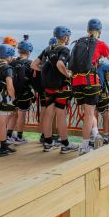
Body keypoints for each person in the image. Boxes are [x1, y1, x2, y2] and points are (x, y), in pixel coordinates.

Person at [69, 18, 109, 155]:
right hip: (91, 82)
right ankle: (85, 146)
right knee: (89, 114)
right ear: (100, 31)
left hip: (75, 82)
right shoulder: (100, 44)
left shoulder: (79, 42)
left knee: (88, 113)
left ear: (88, 30)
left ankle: (95, 135)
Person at [39, 26, 77, 154]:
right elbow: (60, 64)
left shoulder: (47, 49)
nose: (69, 39)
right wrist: (68, 75)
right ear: (65, 37)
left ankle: (48, 142)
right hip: (61, 87)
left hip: (48, 87)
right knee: (61, 115)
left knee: (49, 114)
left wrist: (48, 73)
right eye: (68, 36)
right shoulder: (64, 49)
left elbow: (34, 65)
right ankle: (65, 144)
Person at [6, 36, 35, 146]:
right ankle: (19, 137)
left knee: (13, 113)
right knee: (21, 114)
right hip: (24, 93)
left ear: (18, 50)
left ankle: (8, 135)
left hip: (12, 92)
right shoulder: (29, 63)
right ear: (29, 52)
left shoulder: (12, 62)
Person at [96, 61, 109, 144]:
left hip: (89, 94)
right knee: (105, 115)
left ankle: (94, 137)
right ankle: (106, 137)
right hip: (101, 94)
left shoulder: (86, 64)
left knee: (93, 116)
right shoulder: (102, 65)